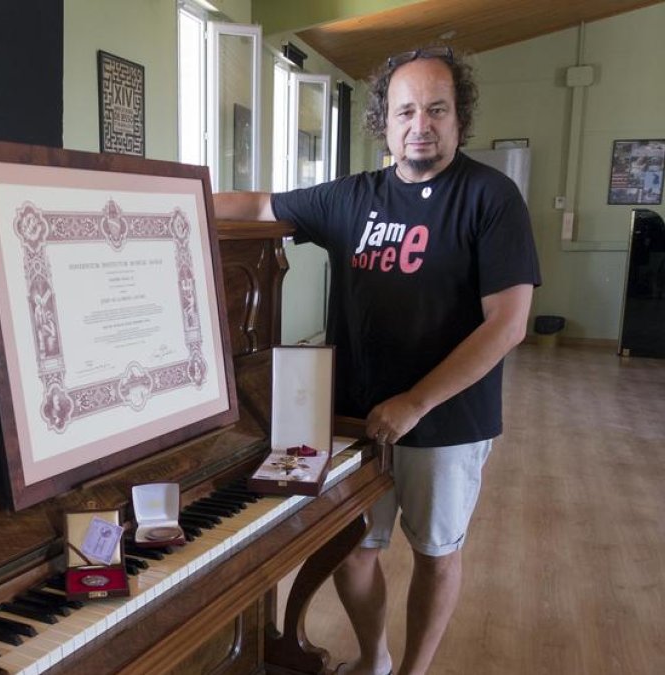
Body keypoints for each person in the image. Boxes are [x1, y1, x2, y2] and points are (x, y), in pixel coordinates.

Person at [214, 46, 540, 675]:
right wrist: (163, 198)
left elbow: (509, 324)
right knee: (353, 547)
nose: (421, 124)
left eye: (437, 109)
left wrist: (416, 402)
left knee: (435, 553)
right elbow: (258, 207)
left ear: (459, 118)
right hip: (352, 416)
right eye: (406, 111)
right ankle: (377, 659)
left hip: (446, 421)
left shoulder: (491, 198)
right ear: (384, 123)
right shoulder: (351, 198)